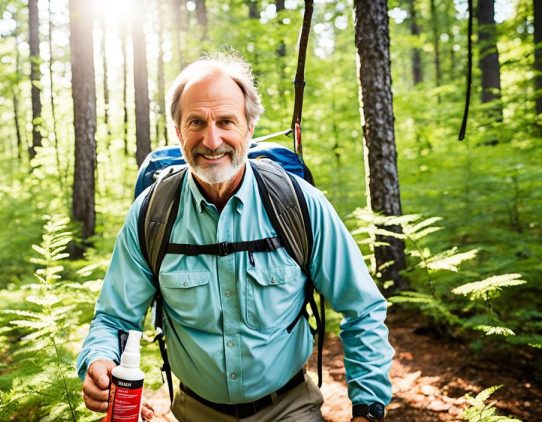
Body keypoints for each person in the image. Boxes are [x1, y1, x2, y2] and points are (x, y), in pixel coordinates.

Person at [77, 53, 393, 422]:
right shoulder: (153, 214)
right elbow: (115, 319)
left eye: (226, 121)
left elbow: (363, 308)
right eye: (196, 122)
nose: (212, 140)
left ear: (249, 128)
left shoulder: (298, 204)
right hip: (195, 411)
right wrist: (99, 359)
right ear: (179, 131)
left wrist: (368, 408)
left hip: (289, 408)